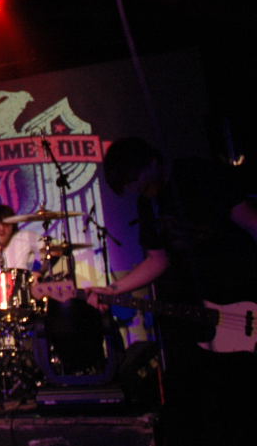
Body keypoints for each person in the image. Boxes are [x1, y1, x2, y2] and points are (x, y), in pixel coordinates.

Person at [89, 136, 257, 446]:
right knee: (194, 395)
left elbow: (250, 221)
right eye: (129, 184)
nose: (136, 188)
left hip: (238, 291)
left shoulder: (197, 174)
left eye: (135, 179)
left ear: (152, 163)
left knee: (240, 393)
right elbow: (158, 259)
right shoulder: (148, 203)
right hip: (190, 311)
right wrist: (112, 289)